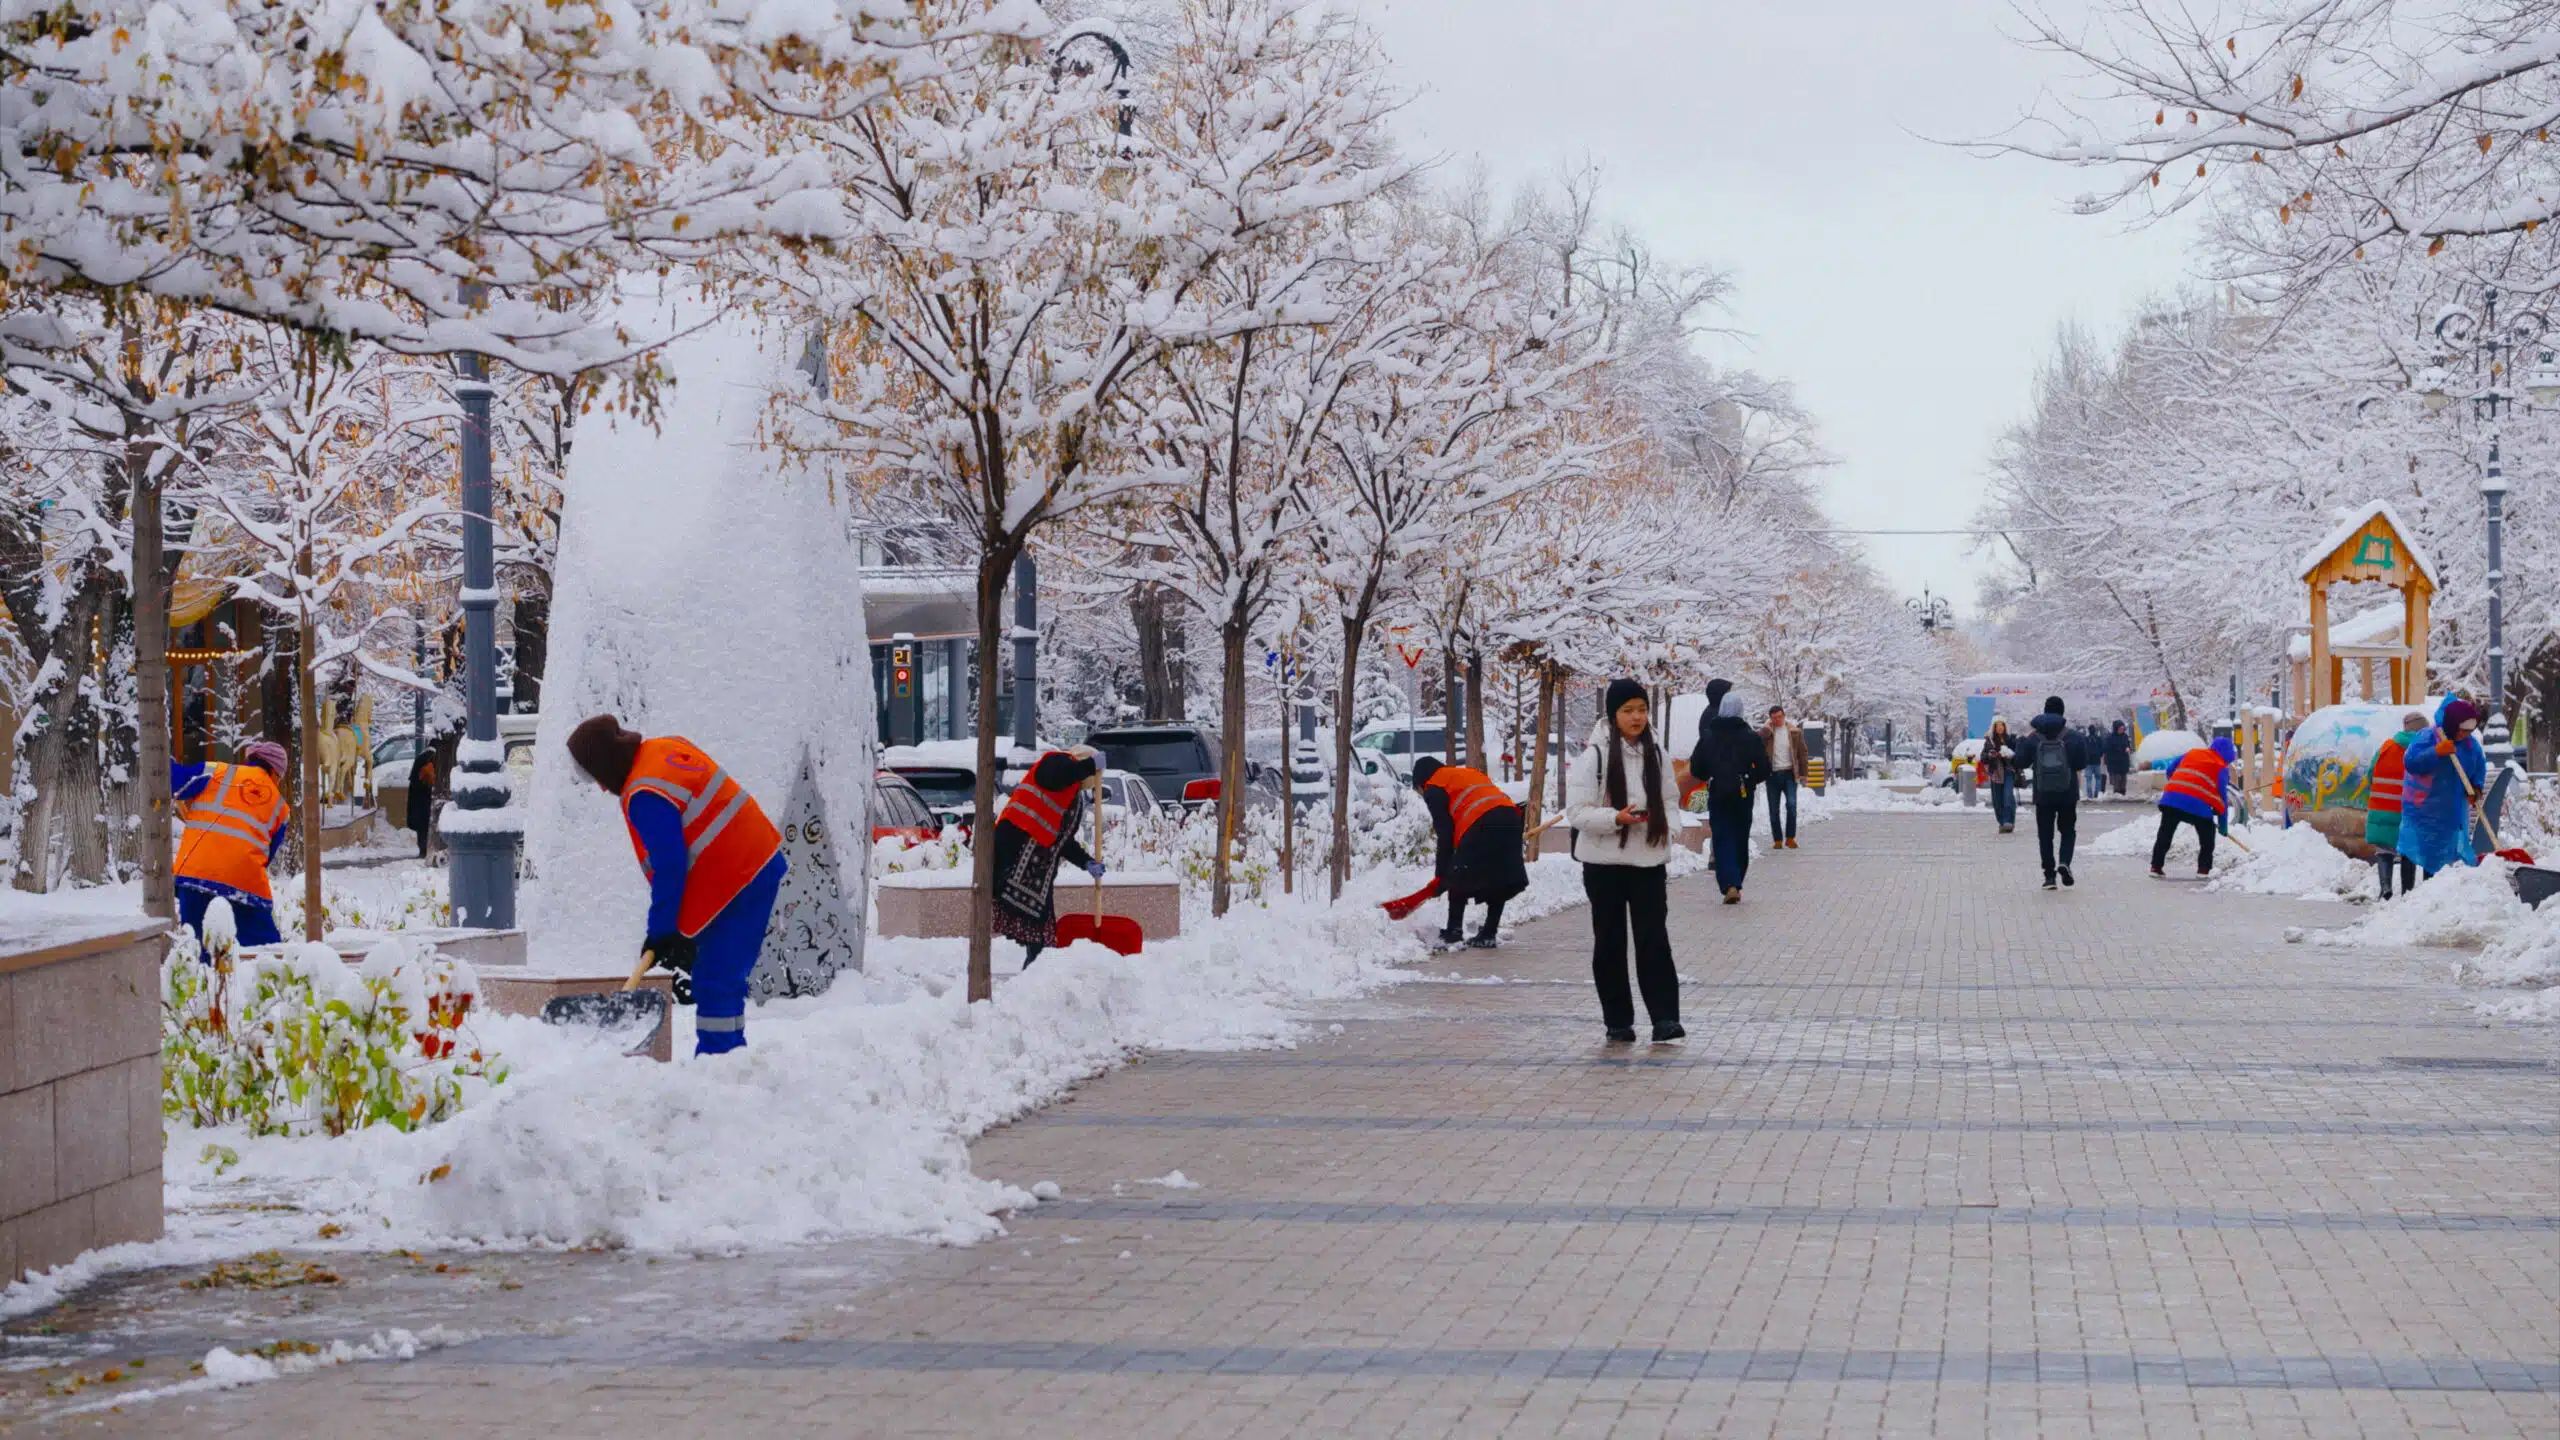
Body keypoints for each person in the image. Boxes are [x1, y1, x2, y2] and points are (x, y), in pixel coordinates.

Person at [567, 716, 786, 1056]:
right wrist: (681, 931)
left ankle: (720, 1068)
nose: (601, 786)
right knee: (717, 975)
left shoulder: (644, 793)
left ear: (606, 764)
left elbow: (670, 865)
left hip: (740, 879)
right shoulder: (664, 748)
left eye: (595, 775)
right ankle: (725, 1063)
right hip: (751, 864)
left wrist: (662, 932)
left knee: (717, 979)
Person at [1569, 679, 1682, 1044]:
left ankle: (1665, 1020)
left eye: (1641, 709)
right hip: (1604, 865)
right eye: (1628, 710)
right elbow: (1577, 813)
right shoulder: (1595, 757)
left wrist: (1670, 829)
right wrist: (1616, 818)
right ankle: (1618, 1022)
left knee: (1654, 941)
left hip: (1648, 861)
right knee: (1610, 942)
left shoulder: (1658, 754)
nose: (1637, 717)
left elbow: (1670, 799)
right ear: (1613, 715)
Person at [984, 747, 1108, 968]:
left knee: (1042, 944)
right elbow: (1059, 774)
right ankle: (1030, 988)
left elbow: (1062, 840)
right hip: (1012, 863)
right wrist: (1089, 765)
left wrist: (1086, 862)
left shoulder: (1072, 797)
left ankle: (1033, 988)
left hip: (1037, 878)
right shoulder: (1053, 765)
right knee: (1040, 946)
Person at [172, 741, 294, 949]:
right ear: (274, 772)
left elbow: (174, 781)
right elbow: (267, 856)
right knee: (266, 955)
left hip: (194, 879)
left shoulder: (214, 771)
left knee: (199, 952)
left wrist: (159, 752)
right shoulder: (281, 808)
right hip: (245, 888)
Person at [1412, 756, 1528, 948]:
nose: (1421, 794)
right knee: (1500, 876)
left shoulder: (1433, 787)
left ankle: (1453, 932)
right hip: (1511, 817)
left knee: (1457, 871)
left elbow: (1445, 834)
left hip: (1482, 820)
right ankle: (1489, 933)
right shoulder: (1464, 773)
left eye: (1419, 790)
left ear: (1421, 781)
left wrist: (1441, 875)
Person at [1690, 690, 1770, 904]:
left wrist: (1711, 774)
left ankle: (1729, 883)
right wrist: (1750, 779)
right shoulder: (1750, 736)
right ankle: (1737, 880)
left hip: (1718, 791)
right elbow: (1764, 768)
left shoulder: (1709, 736)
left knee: (1722, 835)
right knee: (1740, 836)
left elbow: (1696, 767)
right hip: (1743, 792)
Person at [2398, 697, 2488, 878]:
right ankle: (2407, 895)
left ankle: (2431, 893)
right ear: (2453, 724)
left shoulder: (2471, 746)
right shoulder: (2428, 736)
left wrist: (2475, 788)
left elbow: (2478, 768)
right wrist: (2436, 752)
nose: (2465, 735)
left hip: (2450, 812)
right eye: (2462, 730)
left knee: (2439, 855)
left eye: (2469, 731)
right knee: (2413, 847)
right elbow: (2411, 762)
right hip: (2422, 809)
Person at [2007, 696, 2090, 889]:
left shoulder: (2034, 738)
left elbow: (2021, 762)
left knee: (2045, 835)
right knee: (2068, 830)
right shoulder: (2073, 737)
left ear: (2044, 710)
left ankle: (2049, 876)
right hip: (2067, 792)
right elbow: (2082, 763)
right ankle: (2064, 862)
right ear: (2062, 712)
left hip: (2043, 793)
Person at [2363, 710, 2428, 899]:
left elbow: (2370, 775)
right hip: (2409, 809)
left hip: (2381, 806)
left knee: (2384, 849)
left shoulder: (2387, 746)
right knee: (2408, 848)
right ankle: (2407, 892)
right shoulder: (2421, 749)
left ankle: (2385, 888)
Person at [2148, 737, 2234, 877]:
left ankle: (2155, 867)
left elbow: (2170, 769)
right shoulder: (2221, 767)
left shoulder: (2193, 753)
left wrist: (2179, 783)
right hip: (2197, 806)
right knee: (2207, 835)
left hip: (2172, 799)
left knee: (2165, 833)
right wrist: (2223, 824)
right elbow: (2222, 797)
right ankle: (2203, 870)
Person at [1756, 704, 1805, 849]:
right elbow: (1757, 744)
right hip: (1772, 775)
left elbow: (1802, 752)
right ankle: (1777, 839)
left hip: (1789, 774)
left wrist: (1803, 773)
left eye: (1779, 717)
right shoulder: (1768, 733)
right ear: (1770, 719)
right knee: (1773, 809)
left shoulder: (1794, 732)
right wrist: (1766, 729)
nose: (1777, 720)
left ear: (1784, 716)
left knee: (1791, 805)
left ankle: (1790, 837)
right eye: (1774, 718)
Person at [1980, 717, 2016, 833]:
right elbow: (1983, 758)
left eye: (2002, 725)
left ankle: (2008, 821)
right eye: (1997, 725)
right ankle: (2002, 822)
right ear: (1994, 727)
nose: (2000, 727)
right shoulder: (1989, 741)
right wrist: (1991, 755)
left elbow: (2017, 754)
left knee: (2008, 795)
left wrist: (2010, 755)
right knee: (1997, 799)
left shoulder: (2010, 740)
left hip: (2009, 770)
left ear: (2005, 727)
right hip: (1996, 772)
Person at [405, 746, 440, 861]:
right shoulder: (427, 765)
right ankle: (424, 851)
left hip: (417, 801)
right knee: (424, 827)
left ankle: (423, 850)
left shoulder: (419, 763)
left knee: (422, 828)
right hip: (423, 801)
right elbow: (428, 781)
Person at [2103, 720, 2132, 797]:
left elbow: (2128, 746)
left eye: (2123, 728)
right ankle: (2117, 796)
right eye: (2120, 728)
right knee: (2117, 782)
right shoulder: (2110, 738)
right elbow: (2107, 750)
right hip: (2114, 764)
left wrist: (2128, 748)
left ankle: (2123, 794)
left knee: (2123, 781)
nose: (2121, 730)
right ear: (2116, 728)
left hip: (2123, 763)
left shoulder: (2125, 736)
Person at [2081, 723, 2107, 800]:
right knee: (2098, 779)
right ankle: (2097, 794)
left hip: (2088, 763)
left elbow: (2083, 750)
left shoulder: (2085, 739)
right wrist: (2099, 755)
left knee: (2088, 779)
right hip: (2097, 762)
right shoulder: (2098, 739)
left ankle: (2089, 795)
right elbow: (2103, 749)